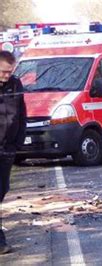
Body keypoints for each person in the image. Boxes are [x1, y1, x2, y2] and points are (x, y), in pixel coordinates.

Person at [0, 51, 26, 254]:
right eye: (3, 72)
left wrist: (17, 142)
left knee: (3, 189)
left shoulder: (16, 85)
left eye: (9, 72)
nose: (6, 75)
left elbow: (22, 114)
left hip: (8, 148)